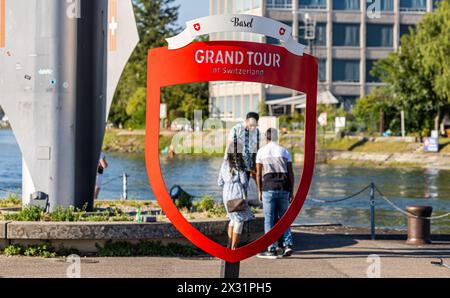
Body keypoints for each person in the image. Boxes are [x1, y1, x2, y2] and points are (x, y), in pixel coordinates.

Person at [256, 128, 295, 258]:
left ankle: (271, 248)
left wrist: (259, 191)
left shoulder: (261, 152)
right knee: (285, 219)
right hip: (284, 187)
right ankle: (288, 245)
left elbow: (258, 174)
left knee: (269, 219)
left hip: (268, 188)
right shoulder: (284, 151)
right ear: (277, 137)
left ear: (266, 138)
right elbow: (291, 173)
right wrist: (292, 190)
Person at [218, 142, 254, 250]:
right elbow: (244, 182)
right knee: (239, 220)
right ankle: (234, 248)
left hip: (226, 194)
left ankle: (229, 245)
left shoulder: (224, 164)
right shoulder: (240, 165)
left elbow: (219, 182)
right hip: (237, 193)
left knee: (232, 218)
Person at [228, 112, 261, 179]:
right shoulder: (236, 129)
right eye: (251, 125)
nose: (253, 128)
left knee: (245, 186)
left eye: (255, 125)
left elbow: (256, 148)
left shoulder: (257, 132)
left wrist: (255, 165)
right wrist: (229, 164)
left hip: (248, 165)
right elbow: (230, 147)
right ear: (246, 121)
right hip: (236, 164)